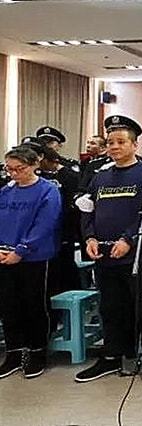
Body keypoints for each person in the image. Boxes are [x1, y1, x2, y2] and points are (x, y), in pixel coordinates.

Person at [74, 115, 142, 384]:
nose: (114, 147)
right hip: (104, 254)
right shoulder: (100, 176)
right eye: (110, 142)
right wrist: (89, 238)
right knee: (111, 307)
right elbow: (88, 209)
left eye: (121, 142)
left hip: (137, 254)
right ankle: (112, 355)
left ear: (134, 145)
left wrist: (128, 239)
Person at [0, 146, 62, 379]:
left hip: (34, 257)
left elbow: (45, 224)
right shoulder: (5, 191)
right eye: (10, 169)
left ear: (35, 164)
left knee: (34, 304)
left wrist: (22, 250)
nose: (14, 173)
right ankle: (14, 352)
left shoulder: (48, 190)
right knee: (8, 305)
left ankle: (37, 351)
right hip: (4, 255)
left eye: (20, 168)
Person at [39, 146, 82, 295]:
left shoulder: (67, 175)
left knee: (63, 268)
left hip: (64, 228)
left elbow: (72, 204)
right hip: (42, 235)